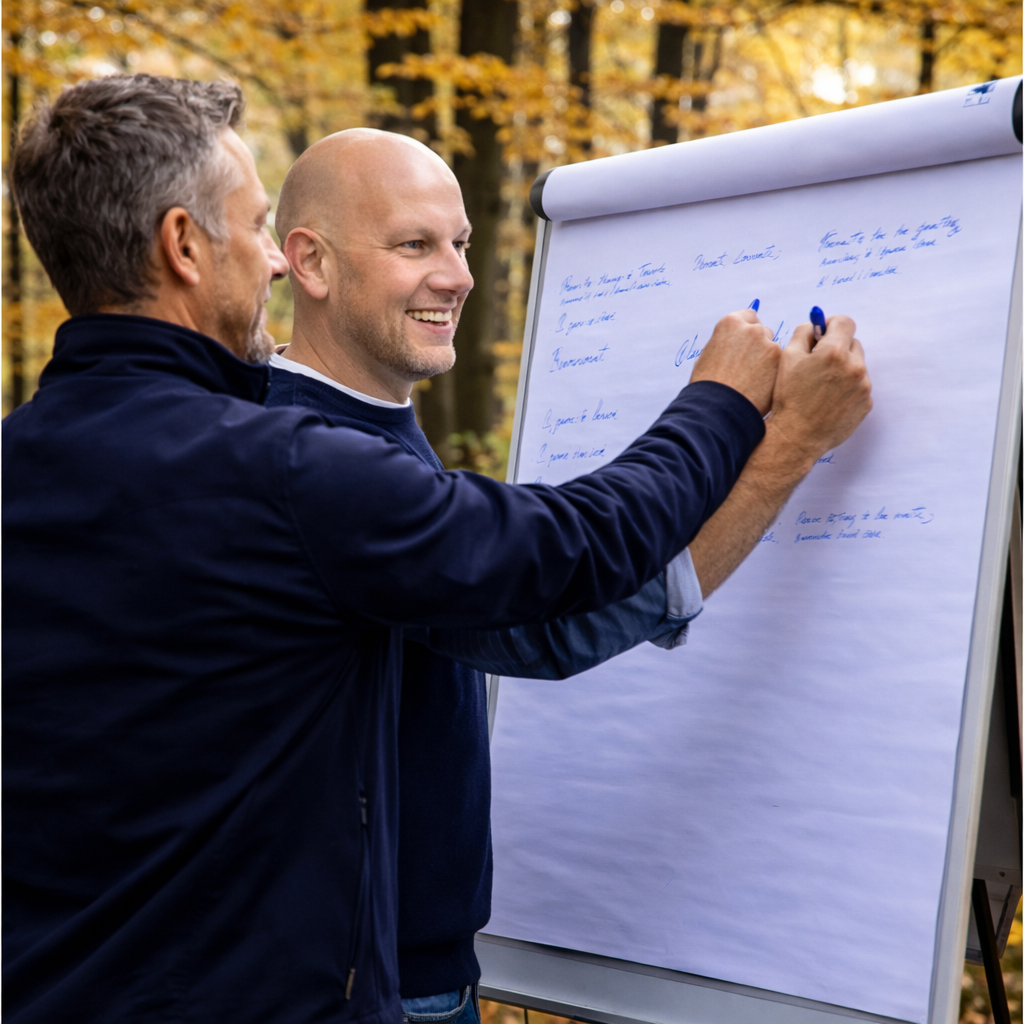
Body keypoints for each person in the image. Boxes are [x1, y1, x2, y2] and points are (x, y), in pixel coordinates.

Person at [2, 75, 870, 1024]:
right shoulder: (287, 470)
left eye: (456, 243)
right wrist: (739, 413)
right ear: (182, 245)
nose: (272, 267)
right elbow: (567, 568)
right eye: (255, 230)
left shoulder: (35, 457)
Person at [266, 129, 873, 1022]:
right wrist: (771, 434)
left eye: (461, 243)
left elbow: (549, 618)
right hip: (370, 985)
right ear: (309, 265)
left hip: (401, 966)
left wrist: (786, 446)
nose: (459, 275)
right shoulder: (313, 455)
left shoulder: (354, 426)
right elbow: (559, 614)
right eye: (414, 244)